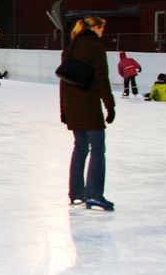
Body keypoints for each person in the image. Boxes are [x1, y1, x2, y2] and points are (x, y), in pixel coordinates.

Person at [59, 15, 116, 211]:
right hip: (89, 106)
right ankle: (94, 195)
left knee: (80, 148)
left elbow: (63, 83)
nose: (103, 33)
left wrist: (64, 110)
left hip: (72, 106)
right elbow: (102, 79)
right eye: (102, 29)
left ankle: (76, 193)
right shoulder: (95, 47)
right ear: (95, 28)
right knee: (97, 149)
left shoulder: (70, 48)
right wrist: (110, 105)